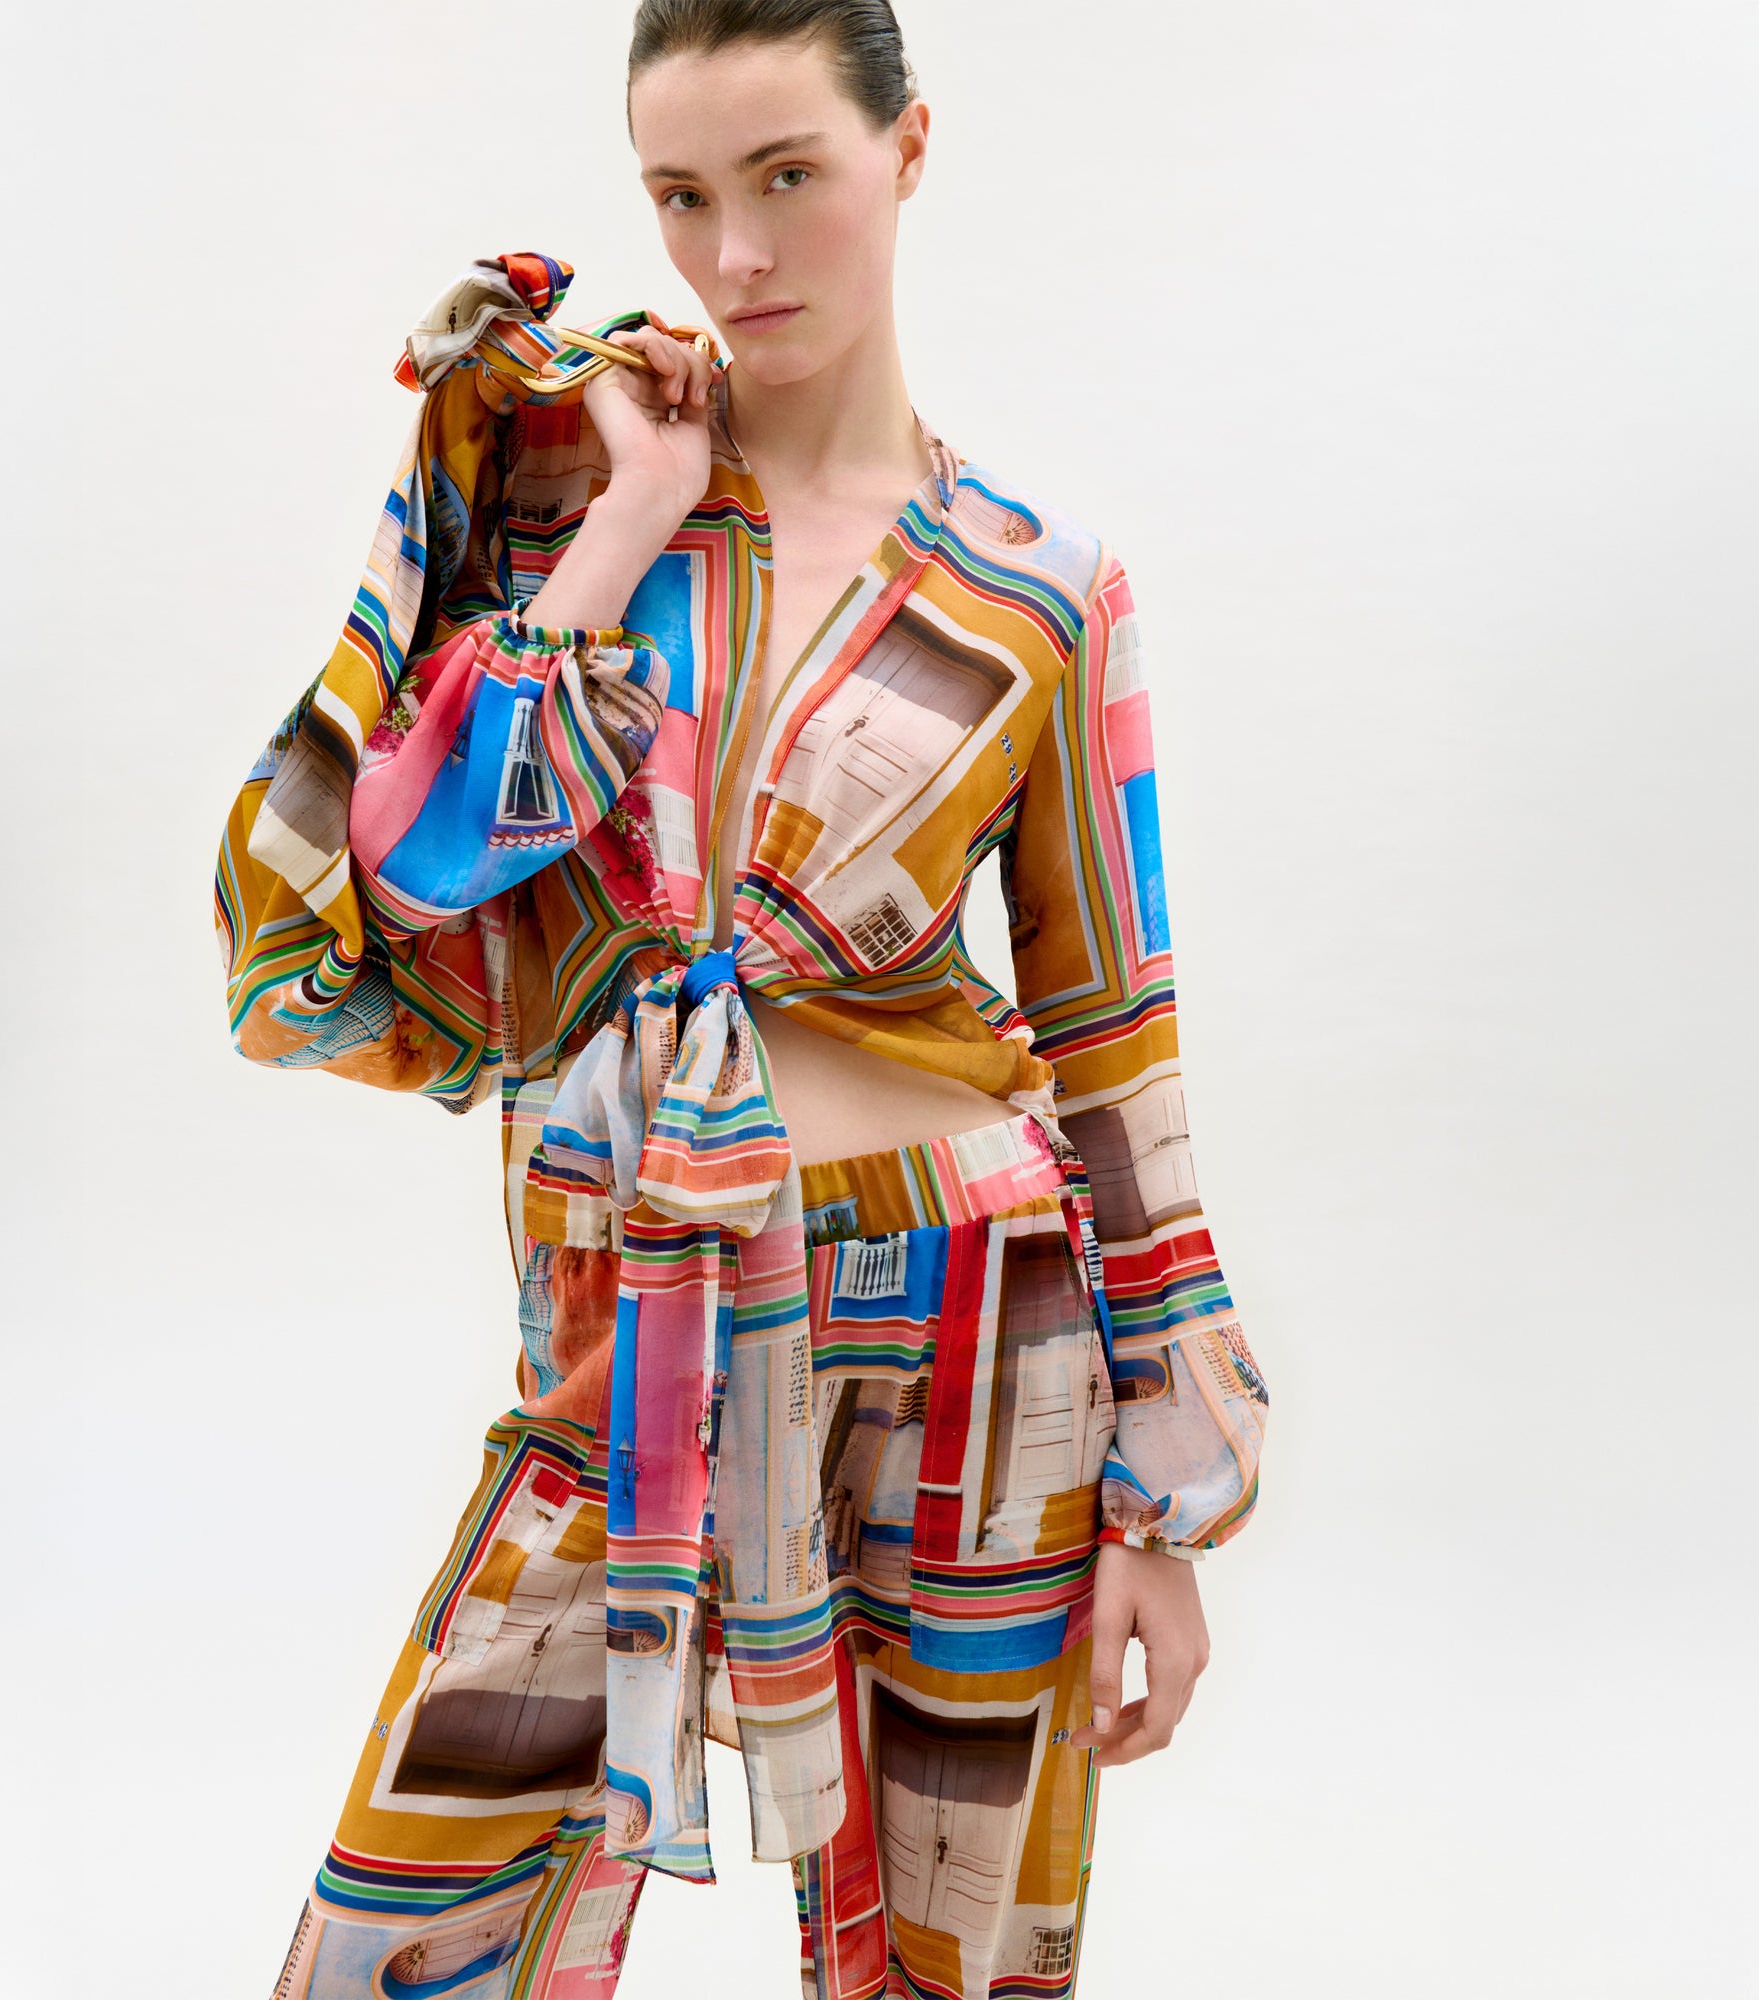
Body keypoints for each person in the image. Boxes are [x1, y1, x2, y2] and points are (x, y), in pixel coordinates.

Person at [214, 4, 1269, 1995]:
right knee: (418, 1927)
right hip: (641, 1296)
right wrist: (620, 519)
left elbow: (1115, 1038)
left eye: (788, 175)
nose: (735, 256)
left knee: (950, 1961)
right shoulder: (580, 511)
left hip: (978, 1332)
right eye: (684, 196)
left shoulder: (1039, 588)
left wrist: (1163, 1501)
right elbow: (417, 858)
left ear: (908, 151)